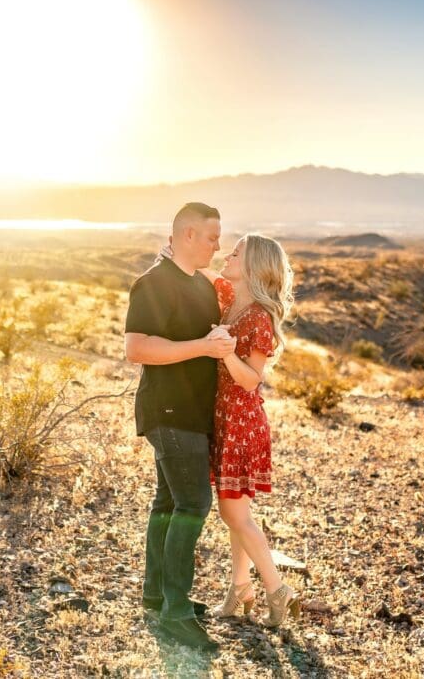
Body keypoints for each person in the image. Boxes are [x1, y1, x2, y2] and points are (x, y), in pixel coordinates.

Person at [166, 233, 299, 627]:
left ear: (253, 267)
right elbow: (206, 275)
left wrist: (224, 354)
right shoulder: (232, 300)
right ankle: (241, 587)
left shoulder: (257, 316)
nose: (228, 255)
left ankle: (277, 590)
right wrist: (174, 253)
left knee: (234, 513)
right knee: (236, 512)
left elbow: (250, 380)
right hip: (224, 419)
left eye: (236, 253)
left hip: (242, 423)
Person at [124, 202, 236, 652]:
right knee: (192, 503)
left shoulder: (198, 284)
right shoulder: (153, 284)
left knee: (169, 502)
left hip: (190, 413)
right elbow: (137, 348)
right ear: (188, 234)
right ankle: (176, 613)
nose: (217, 244)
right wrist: (203, 348)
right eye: (212, 237)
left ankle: (159, 595)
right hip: (169, 412)